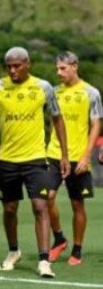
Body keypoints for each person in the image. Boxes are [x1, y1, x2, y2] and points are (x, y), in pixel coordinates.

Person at [0, 46, 69, 278]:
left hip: (36, 158)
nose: (13, 70)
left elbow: (57, 120)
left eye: (17, 66)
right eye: (9, 67)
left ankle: (44, 260)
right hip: (7, 159)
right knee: (9, 208)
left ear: (28, 64)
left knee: (40, 206)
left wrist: (64, 154)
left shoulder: (43, 87)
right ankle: (13, 251)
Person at [45, 52, 102, 265]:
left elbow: (96, 124)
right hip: (53, 154)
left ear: (75, 66)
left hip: (79, 156)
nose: (58, 72)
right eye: (57, 68)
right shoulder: (54, 92)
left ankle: (77, 250)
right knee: (47, 198)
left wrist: (87, 155)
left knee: (77, 204)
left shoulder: (91, 92)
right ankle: (59, 239)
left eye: (63, 68)